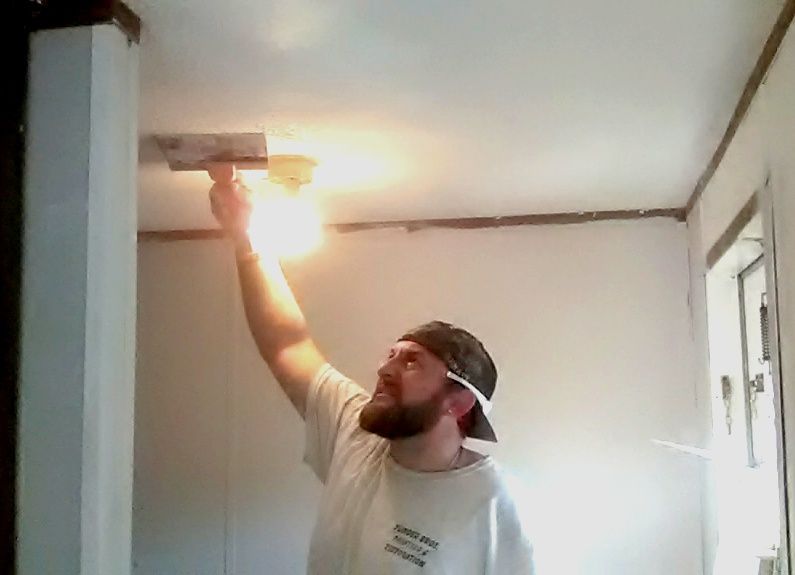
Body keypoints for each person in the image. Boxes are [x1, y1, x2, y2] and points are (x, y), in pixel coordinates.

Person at [208, 165, 535, 574]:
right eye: (392, 354)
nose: (385, 368)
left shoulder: (495, 506)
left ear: (458, 402)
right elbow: (287, 346)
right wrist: (245, 237)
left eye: (412, 361)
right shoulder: (356, 435)